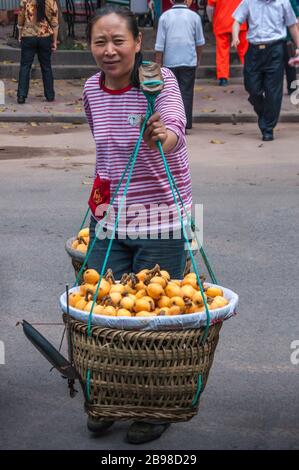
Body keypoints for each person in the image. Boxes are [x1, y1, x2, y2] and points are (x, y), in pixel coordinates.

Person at [83, 5, 193, 444]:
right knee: (102, 311)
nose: (109, 51)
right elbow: (103, 152)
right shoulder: (92, 89)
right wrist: (97, 208)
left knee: (154, 321)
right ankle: (108, 397)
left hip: (161, 216)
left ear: (137, 43)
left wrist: (160, 134)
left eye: (118, 41)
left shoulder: (158, 81)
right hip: (110, 217)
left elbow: (176, 130)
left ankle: (154, 408)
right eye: (99, 42)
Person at [232, 0, 299, 142]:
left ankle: (268, 128)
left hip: (275, 50)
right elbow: (237, 20)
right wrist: (235, 36)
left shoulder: (283, 3)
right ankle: (265, 116)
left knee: (273, 91)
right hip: (254, 51)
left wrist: (298, 47)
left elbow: (292, 25)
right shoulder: (249, 2)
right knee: (252, 88)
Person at [154, 0, 205, 129]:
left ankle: (172, 123)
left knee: (170, 94)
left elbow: (159, 45)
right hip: (189, 61)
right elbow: (200, 43)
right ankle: (185, 124)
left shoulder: (164, 17)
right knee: (186, 93)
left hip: (170, 62)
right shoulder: (195, 17)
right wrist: (198, 59)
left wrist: (158, 63)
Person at [17, 0, 59, 104]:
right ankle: (50, 95)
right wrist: (54, 41)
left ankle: (21, 96)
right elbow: (54, 23)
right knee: (46, 67)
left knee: (25, 66)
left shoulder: (25, 0)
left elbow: (20, 19)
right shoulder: (51, 1)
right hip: (45, 37)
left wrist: (20, 34)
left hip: (28, 37)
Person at [206, 0, 248, 86]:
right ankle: (249, 74)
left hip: (221, 22)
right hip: (240, 22)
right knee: (245, 51)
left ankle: (223, 78)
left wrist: (211, 19)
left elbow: (210, 8)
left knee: (222, 51)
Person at [283, 0, 299, 95]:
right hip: (278, 38)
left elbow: (296, 18)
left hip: (289, 37)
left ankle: (292, 89)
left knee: (291, 66)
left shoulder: (290, 1)